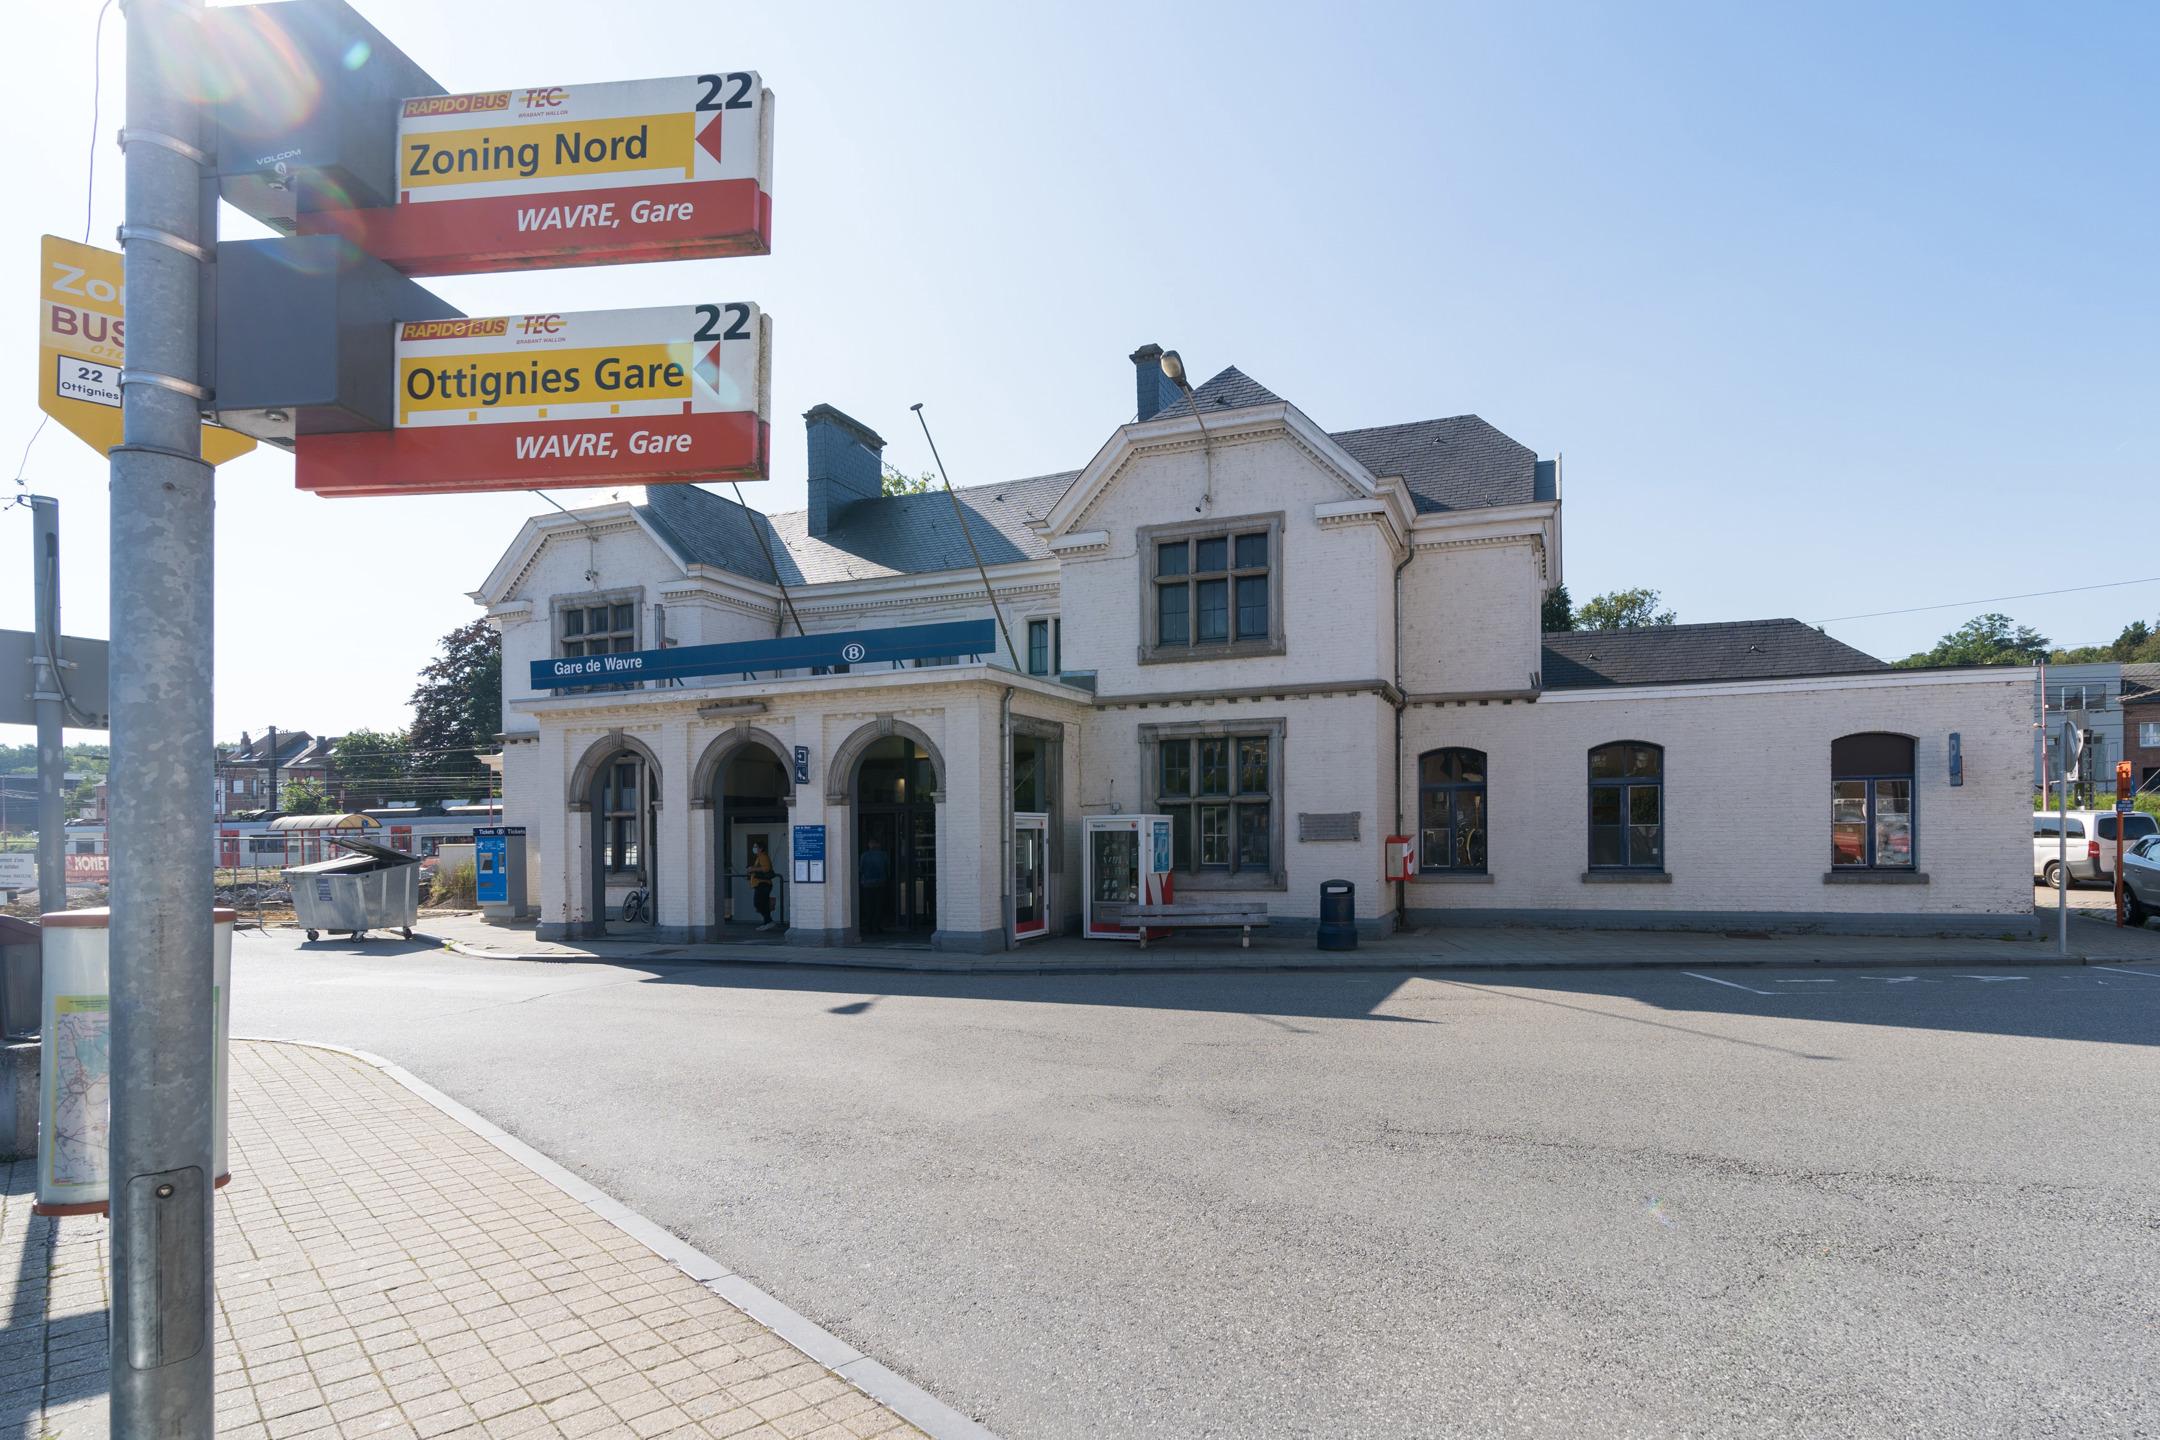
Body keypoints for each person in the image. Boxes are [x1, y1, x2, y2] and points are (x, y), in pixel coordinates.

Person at [859, 833, 890, 935]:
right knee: (878, 906)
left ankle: (869, 927)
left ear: (869, 844)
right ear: (878, 844)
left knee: (868, 906)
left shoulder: (864, 855)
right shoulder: (883, 855)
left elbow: (860, 869)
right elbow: (887, 868)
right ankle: (876, 926)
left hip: (867, 884)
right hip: (880, 883)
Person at [747, 841, 777, 930]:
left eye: (756, 847)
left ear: (761, 848)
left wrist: (753, 869)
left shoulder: (763, 856)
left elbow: (766, 868)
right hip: (760, 884)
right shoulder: (759, 857)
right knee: (762, 903)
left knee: (759, 903)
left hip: (763, 884)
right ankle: (767, 922)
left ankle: (769, 922)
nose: (754, 848)